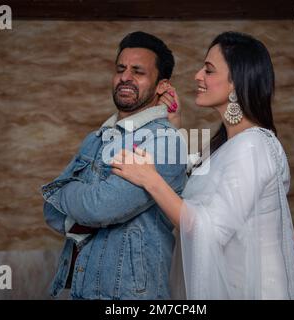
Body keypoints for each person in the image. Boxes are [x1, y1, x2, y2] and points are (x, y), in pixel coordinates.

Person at [111, 31, 294, 299]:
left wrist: (150, 179)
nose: (197, 76)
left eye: (208, 70)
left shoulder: (253, 146)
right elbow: (187, 193)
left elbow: (208, 230)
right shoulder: (222, 146)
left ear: (235, 83)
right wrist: (175, 126)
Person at [41, 31, 187, 299]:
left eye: (138, 71)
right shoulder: (95, 138)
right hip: (78, 291)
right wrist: (86, 204)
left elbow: (100, 208)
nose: (126, 77)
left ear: (161, 86)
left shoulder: (163, 141)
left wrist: (69, 195)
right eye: (121, 69)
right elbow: (51, 210)